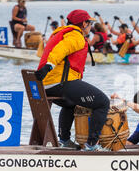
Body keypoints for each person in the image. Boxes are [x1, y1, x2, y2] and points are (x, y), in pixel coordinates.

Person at [34, 9, 110, 151]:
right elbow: (61, 49)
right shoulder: (75, 35)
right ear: (84, 23)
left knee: (70, 104)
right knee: (103, 102)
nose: (90, 27)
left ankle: (64, 140)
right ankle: (92, 145)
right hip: (60, 83)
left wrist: (47, 69)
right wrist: (48, 66)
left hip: (47, 84)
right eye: (89, 23)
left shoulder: (62, 32)